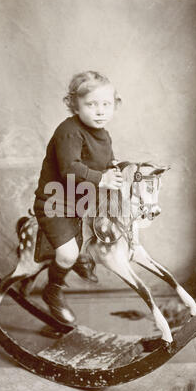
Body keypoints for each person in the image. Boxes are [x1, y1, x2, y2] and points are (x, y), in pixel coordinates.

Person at [34, 71, 123, 325]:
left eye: (106, 104)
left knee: (108, 229)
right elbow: (69, 168)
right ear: (75, 105)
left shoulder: (103, 133)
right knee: (67, 254)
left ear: (114, 105)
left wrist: (118, 169)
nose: (99, 111)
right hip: (55, 202)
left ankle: (82, 257)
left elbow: (108, 161)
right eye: (91, 104)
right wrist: (103, 179)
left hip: (81, 201)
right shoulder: (69, 131)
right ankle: (53, 290)